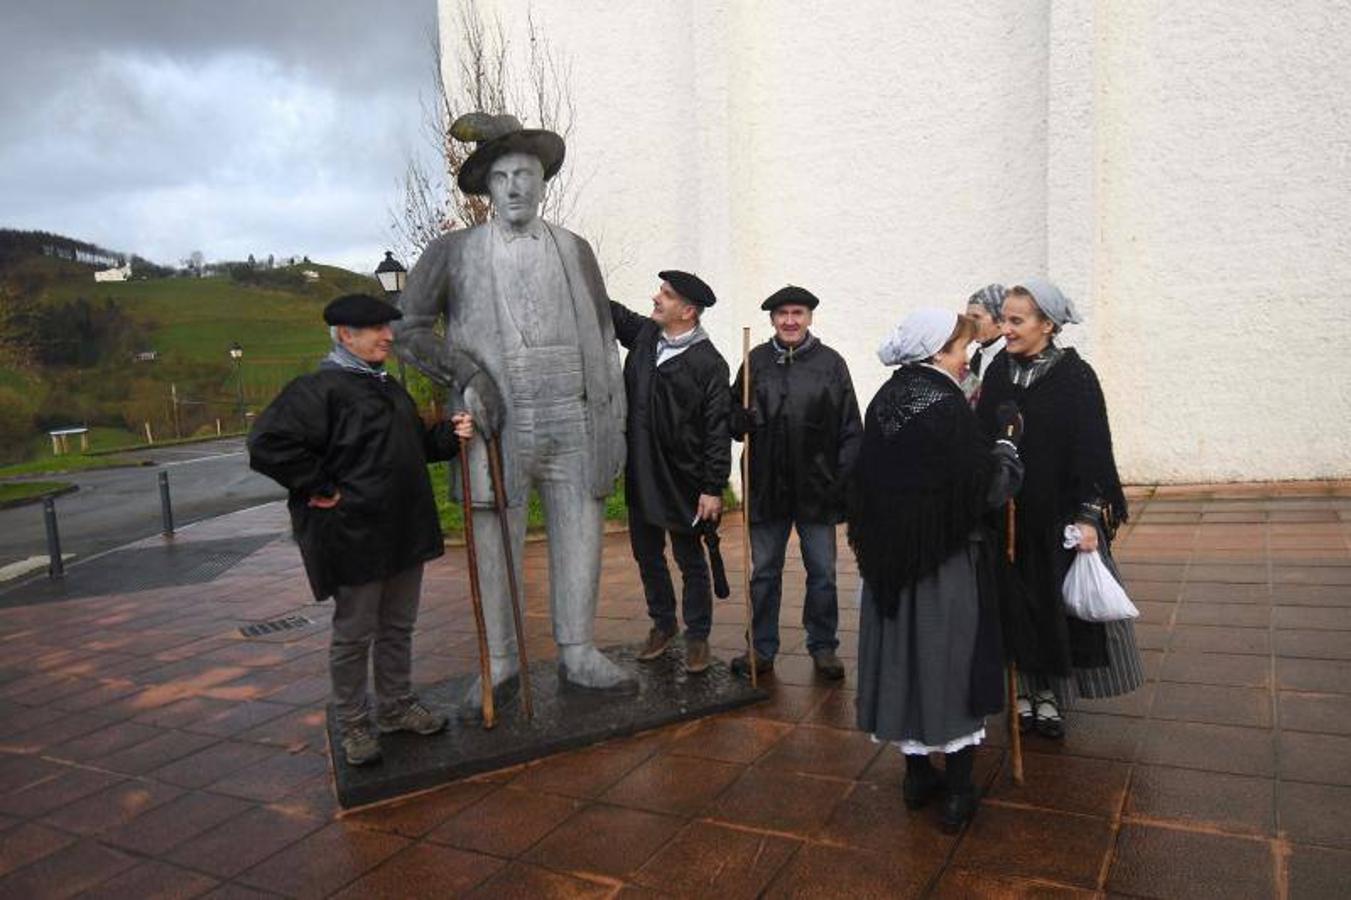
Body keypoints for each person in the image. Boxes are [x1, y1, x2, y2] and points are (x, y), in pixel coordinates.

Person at [395, 112, 635, 714]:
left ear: (543, 180)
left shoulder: (575, 249)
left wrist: (612, 419)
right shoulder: (453, 252)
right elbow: (408, 329)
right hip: (498, 420)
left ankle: (578, 650)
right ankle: (500, 660)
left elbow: (603, 337)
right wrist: (466, 373)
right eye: (501, 176)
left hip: (573, 415)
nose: (514, 187)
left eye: (525, 173)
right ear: (486, 188)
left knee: (580, 532)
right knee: (492, 537)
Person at [248, 293, 474, 766]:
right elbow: (267, 444)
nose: (388, 336)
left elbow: (413, 447)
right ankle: (353, 721)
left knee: (398, 627)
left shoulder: (386, 386)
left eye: (388, 328)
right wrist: (318, 484)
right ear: (345, 335)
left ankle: (394, 707)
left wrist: (448, 437)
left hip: (403, 529)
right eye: (377, 330)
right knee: (354, 633)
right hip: (354, 534)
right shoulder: (318, 389)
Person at [850, 308, 1023, 833]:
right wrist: (1008, 447)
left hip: (890, 565)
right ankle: (959, 790)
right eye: (961, 348)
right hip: (941, 564)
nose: (968, 355)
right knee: (949, 665)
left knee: (906, 664)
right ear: (936, 353)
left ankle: (916, 777)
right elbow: (984, 490)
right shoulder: (945, 406)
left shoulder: (886, 398)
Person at [976, 276, 1142, 739]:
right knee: (1015, 607)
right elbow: (979, 438)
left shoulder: (1075, 378)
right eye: (1004, 319)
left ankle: (1049, 694)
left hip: (1056, 519)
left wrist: (1090, 516)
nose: (1005, 329)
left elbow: (1093, 453)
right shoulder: (997, 373)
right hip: (1006, 516)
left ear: (1047, 324)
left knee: (1051, 608)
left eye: (1016, 320)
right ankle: (1024, 689)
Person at [729, 285, 863, 680]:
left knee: (822, 573)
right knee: (764, 573)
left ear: (809, 318)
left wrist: (842, 479)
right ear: (772, 319)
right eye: (783, 313)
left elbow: (851, 428)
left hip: (816, 489)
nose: (790, 320)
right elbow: (731, 414)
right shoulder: (755, 361)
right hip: (766, 486)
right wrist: (738, 420)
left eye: (798, 313)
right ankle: (762, 648)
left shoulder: (831, 364)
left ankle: (823, 646)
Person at [610, 271, 731, 673]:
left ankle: (697, 636)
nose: (656, 298)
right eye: (660, 291)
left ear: (688, 310)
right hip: (641, 471)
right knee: (647, 555)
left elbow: (717, 432)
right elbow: (607, 311)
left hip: (684, 479)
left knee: (689, 559)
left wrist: (712, 488)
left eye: (666, 295)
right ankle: (663, 625)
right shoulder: (645, 337)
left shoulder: (709, 364)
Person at [964, 283, 1006, 391]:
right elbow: (970, 397)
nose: (970, 323)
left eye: (976, 317)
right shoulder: (977, 356)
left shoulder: (1012, 360)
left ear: (1000, 320)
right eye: (967, 317)